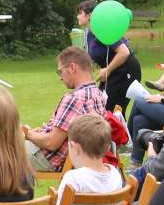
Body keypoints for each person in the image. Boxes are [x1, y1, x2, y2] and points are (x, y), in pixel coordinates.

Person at [24, 46, 108, 174]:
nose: (60, 77)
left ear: (73, 68)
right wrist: (37, 133)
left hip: (49, 159)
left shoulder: (75, 98)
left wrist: (28, 134)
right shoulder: (97, 94)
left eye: (60, 72)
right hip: (75, 158)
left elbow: (52, 143)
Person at [77, 0, 141, 116]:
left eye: (80, 13)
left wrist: (107, 70)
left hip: (125, 71)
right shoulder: (90, 33)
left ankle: (120, 133)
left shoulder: (104, 29)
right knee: (101, 107)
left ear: (90, 15)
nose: (77, 16)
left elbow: (124, 52)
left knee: (112, 111)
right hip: (111, 73)